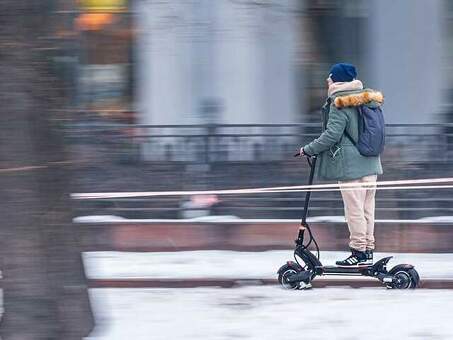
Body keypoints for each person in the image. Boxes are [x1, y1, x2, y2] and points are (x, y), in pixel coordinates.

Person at [300, 63, 383, 267]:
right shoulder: (368, 99)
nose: (327, 80)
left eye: (330, 77)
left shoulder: (340, 102)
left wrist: (308, 149)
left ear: (337, 80)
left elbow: (332, 135)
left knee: (354, 211)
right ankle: (367, 250)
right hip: (371, 163)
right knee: (367, 210)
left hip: (350, 167)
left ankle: (358, 252)